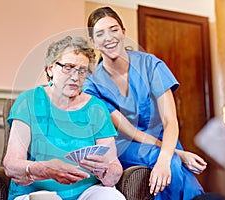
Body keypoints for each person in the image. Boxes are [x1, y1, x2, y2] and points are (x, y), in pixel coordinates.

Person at [83, 6, 208, 200]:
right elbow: (129, 131)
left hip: (164, 139)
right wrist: (177, 155)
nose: (108, 38)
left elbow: (170, 121)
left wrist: (169, 153)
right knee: (171, 163)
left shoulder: (151, 64)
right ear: (93, 41)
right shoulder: (92, 84)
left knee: (185, 180)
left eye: (114, 29)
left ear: (123, 32)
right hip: (127, 145)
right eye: (100, 34)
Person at [3, 36, 126, 200]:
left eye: (82, 70)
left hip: (86, 192)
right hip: (37, 192)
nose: (75, 77)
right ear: (50, 69)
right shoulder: (28, 101)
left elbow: (114, 167)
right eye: (68, 67)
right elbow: (11, 164)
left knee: (111, 197)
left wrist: (106, 171)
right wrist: (45, 169)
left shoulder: (97, 108)